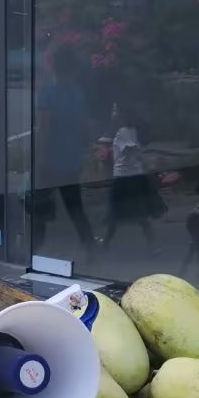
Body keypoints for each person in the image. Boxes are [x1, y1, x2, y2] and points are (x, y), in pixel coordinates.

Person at [35, 44, 93, 253]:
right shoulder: (77, 94)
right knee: (75, 206)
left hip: (51, 160)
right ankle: (89, 245)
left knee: (39, 205)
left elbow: (44, 129)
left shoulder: (48, 95)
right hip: (72, 160)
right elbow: (83, 126)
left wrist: (39, 157)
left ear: (55, 67)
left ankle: (35, 248)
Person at [100, 102, 164, 248]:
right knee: (140, 214)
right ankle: (153, 245)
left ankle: (105, 244)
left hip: (124, 178)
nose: (113, 113)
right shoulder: (131, 130)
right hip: (134, 176)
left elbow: (133, 151)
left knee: (115, 212)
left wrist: (148, 166)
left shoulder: (123, 132)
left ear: (122, 114)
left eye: (115, 110)